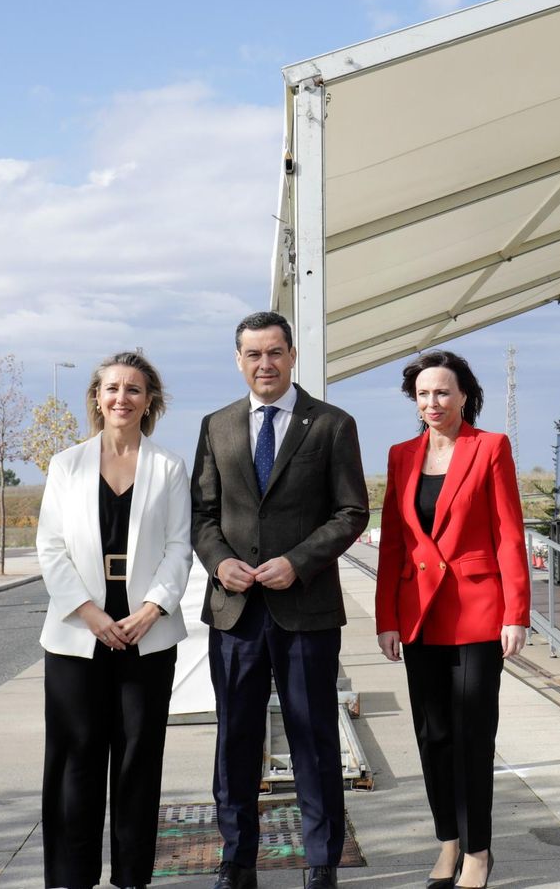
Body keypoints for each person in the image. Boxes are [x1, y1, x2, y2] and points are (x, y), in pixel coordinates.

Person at [191, 311, 369, 889]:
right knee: (235, 738)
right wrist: (220, 562)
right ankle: (237, 860)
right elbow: (202, 515)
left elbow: (351, 512)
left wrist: (299, 562)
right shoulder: (215, 426)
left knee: (314, 737)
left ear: (292, 356)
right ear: (238, 360)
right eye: (252, 354)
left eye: (274, 353)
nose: (264, 364)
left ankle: (322, 863)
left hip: (307, 609)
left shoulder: (332, 425)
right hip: (235, 612)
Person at [36, 351, 191, 889]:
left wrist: (151, 610)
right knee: (74, 760)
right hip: (78, 633)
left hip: (147, 633)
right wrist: (91, 613)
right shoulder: (65, 464)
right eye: (112, 389)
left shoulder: (169, 466)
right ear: (97, 399)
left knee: (137, 762)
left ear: (150, 401)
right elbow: (51, 548)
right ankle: (69, 879)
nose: (121, 398)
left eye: (133, 389)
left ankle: (131, 878)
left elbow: (179, 547)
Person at [376, 350, 530, 889]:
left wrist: (517, 613)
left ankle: (479, 853)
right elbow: (394, 541)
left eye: (442, 392)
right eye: (422, 394)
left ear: (464, 394)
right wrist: (386, 618)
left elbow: (510, 534)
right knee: (432, 733)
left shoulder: (490, 448)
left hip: (479, 612)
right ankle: (448, 843)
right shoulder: (400, 456)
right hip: (419, 614)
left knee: (471, 734)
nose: (432, 402)